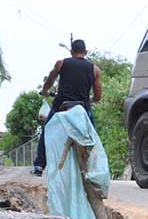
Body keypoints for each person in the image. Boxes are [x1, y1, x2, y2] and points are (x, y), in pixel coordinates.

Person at [32, 39, 102, 176]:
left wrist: (45, 91)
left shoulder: (61, 63)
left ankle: (40, 165)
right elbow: (98, 96)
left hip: (61, 105)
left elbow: (50, 80)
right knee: (93, 135)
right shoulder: (95, 69)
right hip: (82, 107)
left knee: (46, 131)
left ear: (71, 52)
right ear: (86, 52)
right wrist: (91, 99)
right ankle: (94, 166)